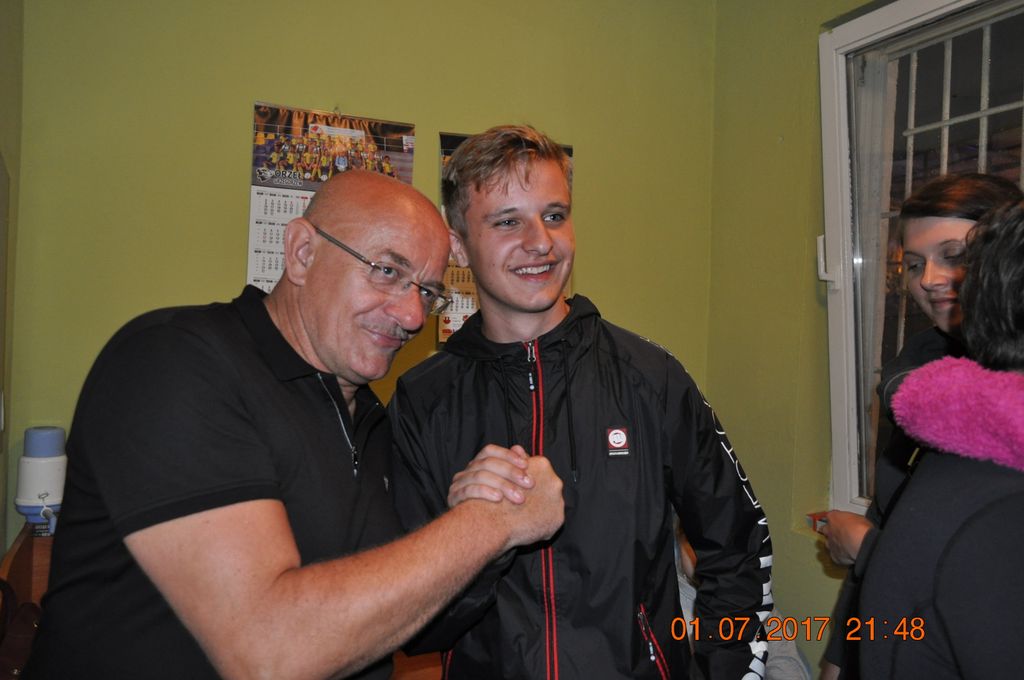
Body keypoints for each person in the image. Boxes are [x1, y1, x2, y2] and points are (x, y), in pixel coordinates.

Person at [25, 170, 565, 679]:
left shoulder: (371, 419)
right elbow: (268, 653)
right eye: (387, 271)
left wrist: (486, 512)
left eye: (426, 291)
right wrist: (489, 524)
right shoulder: (175, 362)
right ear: (302, 252)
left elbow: (409, 617)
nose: (411, 316)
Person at [388, 124, 773, 679]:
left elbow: (740, 549)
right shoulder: (423, 401)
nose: (540, 242)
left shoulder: (650, 378)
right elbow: (420, 627)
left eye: (554, 215)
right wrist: (486, 535)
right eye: (507, 221)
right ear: (458, 246)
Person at [817, 173, 1023, 679]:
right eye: (913, 264)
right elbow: (892, 518)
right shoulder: (915, 376)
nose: (929, 279)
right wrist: (839, 661)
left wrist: (867, 549)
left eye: (954, 255)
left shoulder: (1001, 401)